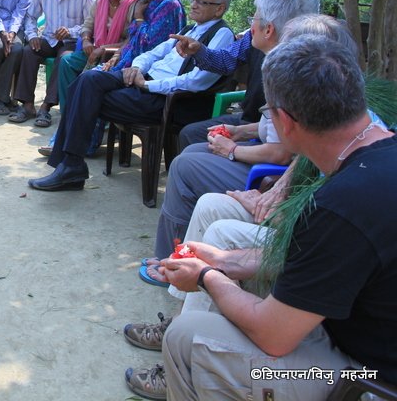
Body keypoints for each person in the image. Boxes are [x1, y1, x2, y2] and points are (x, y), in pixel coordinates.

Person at [155, 36, 397, 400]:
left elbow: (273, 334)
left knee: (186, 338)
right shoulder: (376, 156)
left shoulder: (340, 205)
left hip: (363, 376)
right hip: (359, 334)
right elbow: (333, 264)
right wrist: (227, 260)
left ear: (285, 121)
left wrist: (207, 277)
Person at [139, 0, 311, 287]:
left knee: (184, 166)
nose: (250, 21)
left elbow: (282, 151)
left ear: (268, 28)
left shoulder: (286, 70)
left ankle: (174, 262)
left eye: (254, 16)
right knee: (192, 148)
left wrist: (231, 149)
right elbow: (228, 67)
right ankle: (180, 253)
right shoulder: (263, 48)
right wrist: (240, 132)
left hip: (274, 172)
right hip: (260, 139)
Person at [29, 0, 235, 192]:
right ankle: (70, 166)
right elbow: (154, 52)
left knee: (84, 95)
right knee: (87, 80)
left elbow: (197, 81)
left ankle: (71, 167)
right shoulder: (190, 29)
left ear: (219, 9)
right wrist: (137, 68)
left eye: (202, 2)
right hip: (143, 81)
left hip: (163, 98)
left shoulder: (222, 35)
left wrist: (148, 86)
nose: (193, 4)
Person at [174, 0, 317, 150]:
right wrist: (198, 50)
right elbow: (225, 61)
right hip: (249, 121)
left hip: (281, 137)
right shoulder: (257, 32)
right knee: (191, 134)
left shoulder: (309, 46)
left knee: (193, 152)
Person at [7, 0, 94, 127]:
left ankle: (46, 107)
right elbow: (30, 17)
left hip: (72, 42)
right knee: (28, 51)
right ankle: (28, 105)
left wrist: (70, 31)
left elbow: (91, 23)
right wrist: (32, 36)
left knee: (63, 60)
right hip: (48, 39)